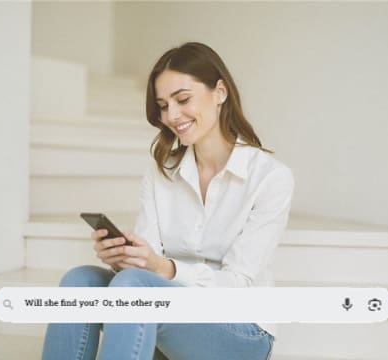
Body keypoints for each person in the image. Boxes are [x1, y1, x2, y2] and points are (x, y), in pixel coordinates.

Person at [42, 42, 294, 360]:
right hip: (169, 309)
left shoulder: (271, 177)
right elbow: (145, 264)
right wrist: (123, 257)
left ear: (220, 92)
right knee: (80, 280)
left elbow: (239, 283)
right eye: (163, 105)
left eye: (183, 99)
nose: (172, 116)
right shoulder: (162, 171)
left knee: (135, 287)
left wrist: (164, 269)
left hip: (241, 328)